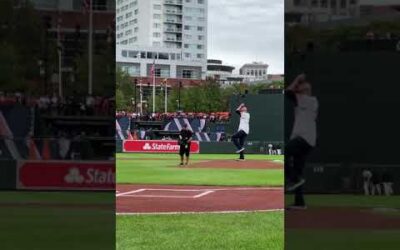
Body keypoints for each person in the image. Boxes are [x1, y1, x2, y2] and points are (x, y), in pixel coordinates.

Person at [285, 73, 319, 209]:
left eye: (301, 88)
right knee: (298, 170)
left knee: (285, 152)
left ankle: (294, 179)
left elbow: (288, 92)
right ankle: (300, 202)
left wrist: (297, 79)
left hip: (303, 139)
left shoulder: (308, 100)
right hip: (306, 140)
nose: (298, 89)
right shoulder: (306, 101)